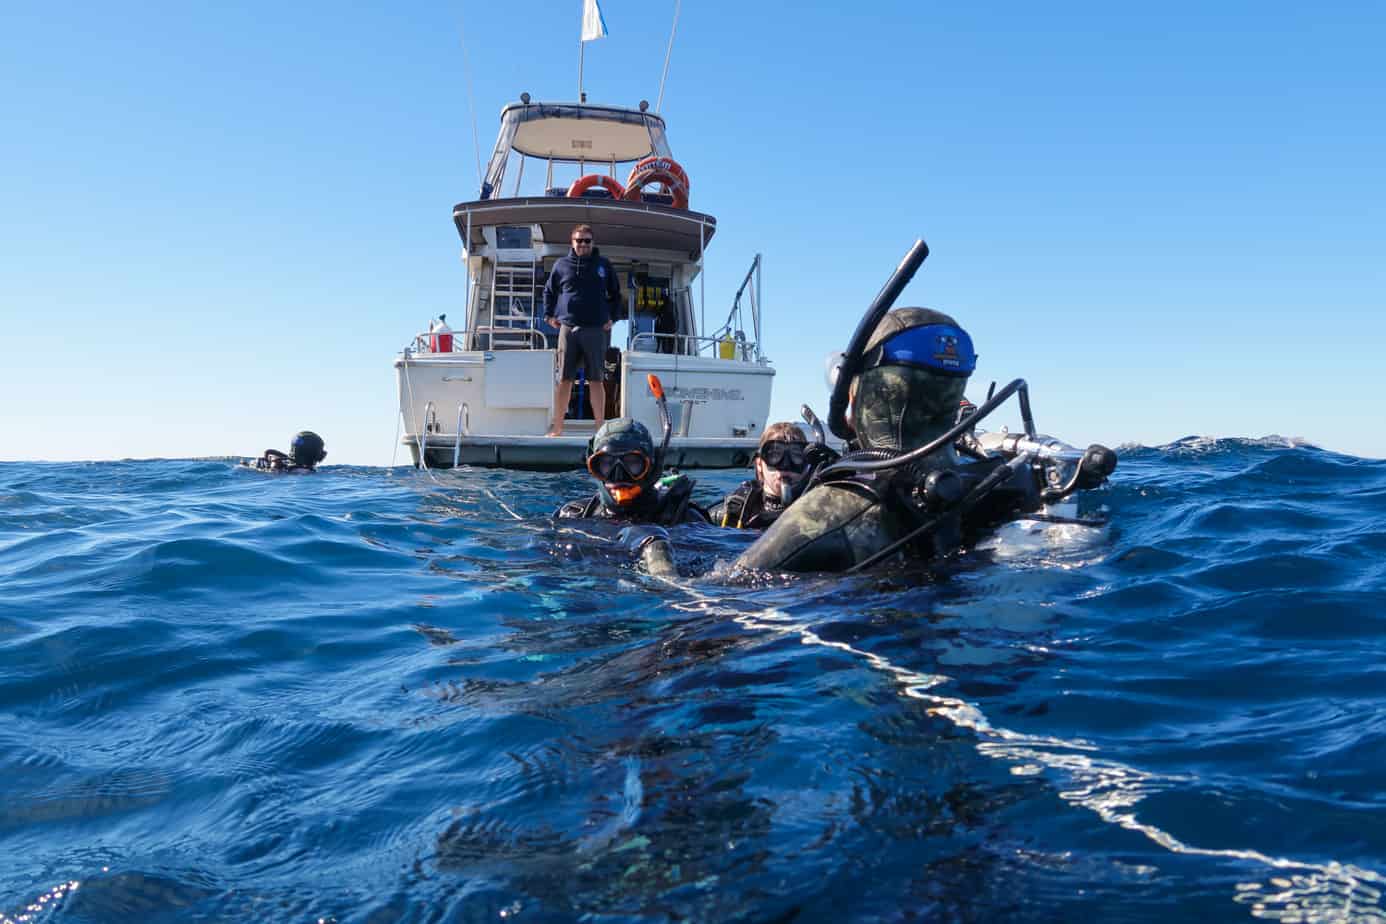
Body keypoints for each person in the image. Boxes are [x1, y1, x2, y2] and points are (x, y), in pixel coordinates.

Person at [543, 224, 623, 436]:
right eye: (579, 240)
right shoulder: (561, 265)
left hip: (596, 329)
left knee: (596, 379)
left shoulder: (603, 265)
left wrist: (612, 318)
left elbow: (616, 295)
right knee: (564, 380)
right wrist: (548, 315)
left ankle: (599, 429)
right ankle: (558, 428)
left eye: (587, 240)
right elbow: (549, 292)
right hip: (568, 328)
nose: (583, 244)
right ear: (572, 242)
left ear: (592, 243)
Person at [556, 418, 710, 526]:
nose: (618, 475)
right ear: (594, 468)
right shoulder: (573, 516)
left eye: (632, 463)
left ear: (652, 467)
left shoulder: (684, 519)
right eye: (607, 464)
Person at [710, 422, 820, 529]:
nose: (785, 465)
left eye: (796, 455)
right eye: (775, 454)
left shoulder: (818, 509)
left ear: (806, 463)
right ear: (759, 464)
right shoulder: (734, 511)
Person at [245, 430, 327, 473]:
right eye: (320, 450)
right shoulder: (305, 472)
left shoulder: (284, 463)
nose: (322, 454)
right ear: (312, 453)